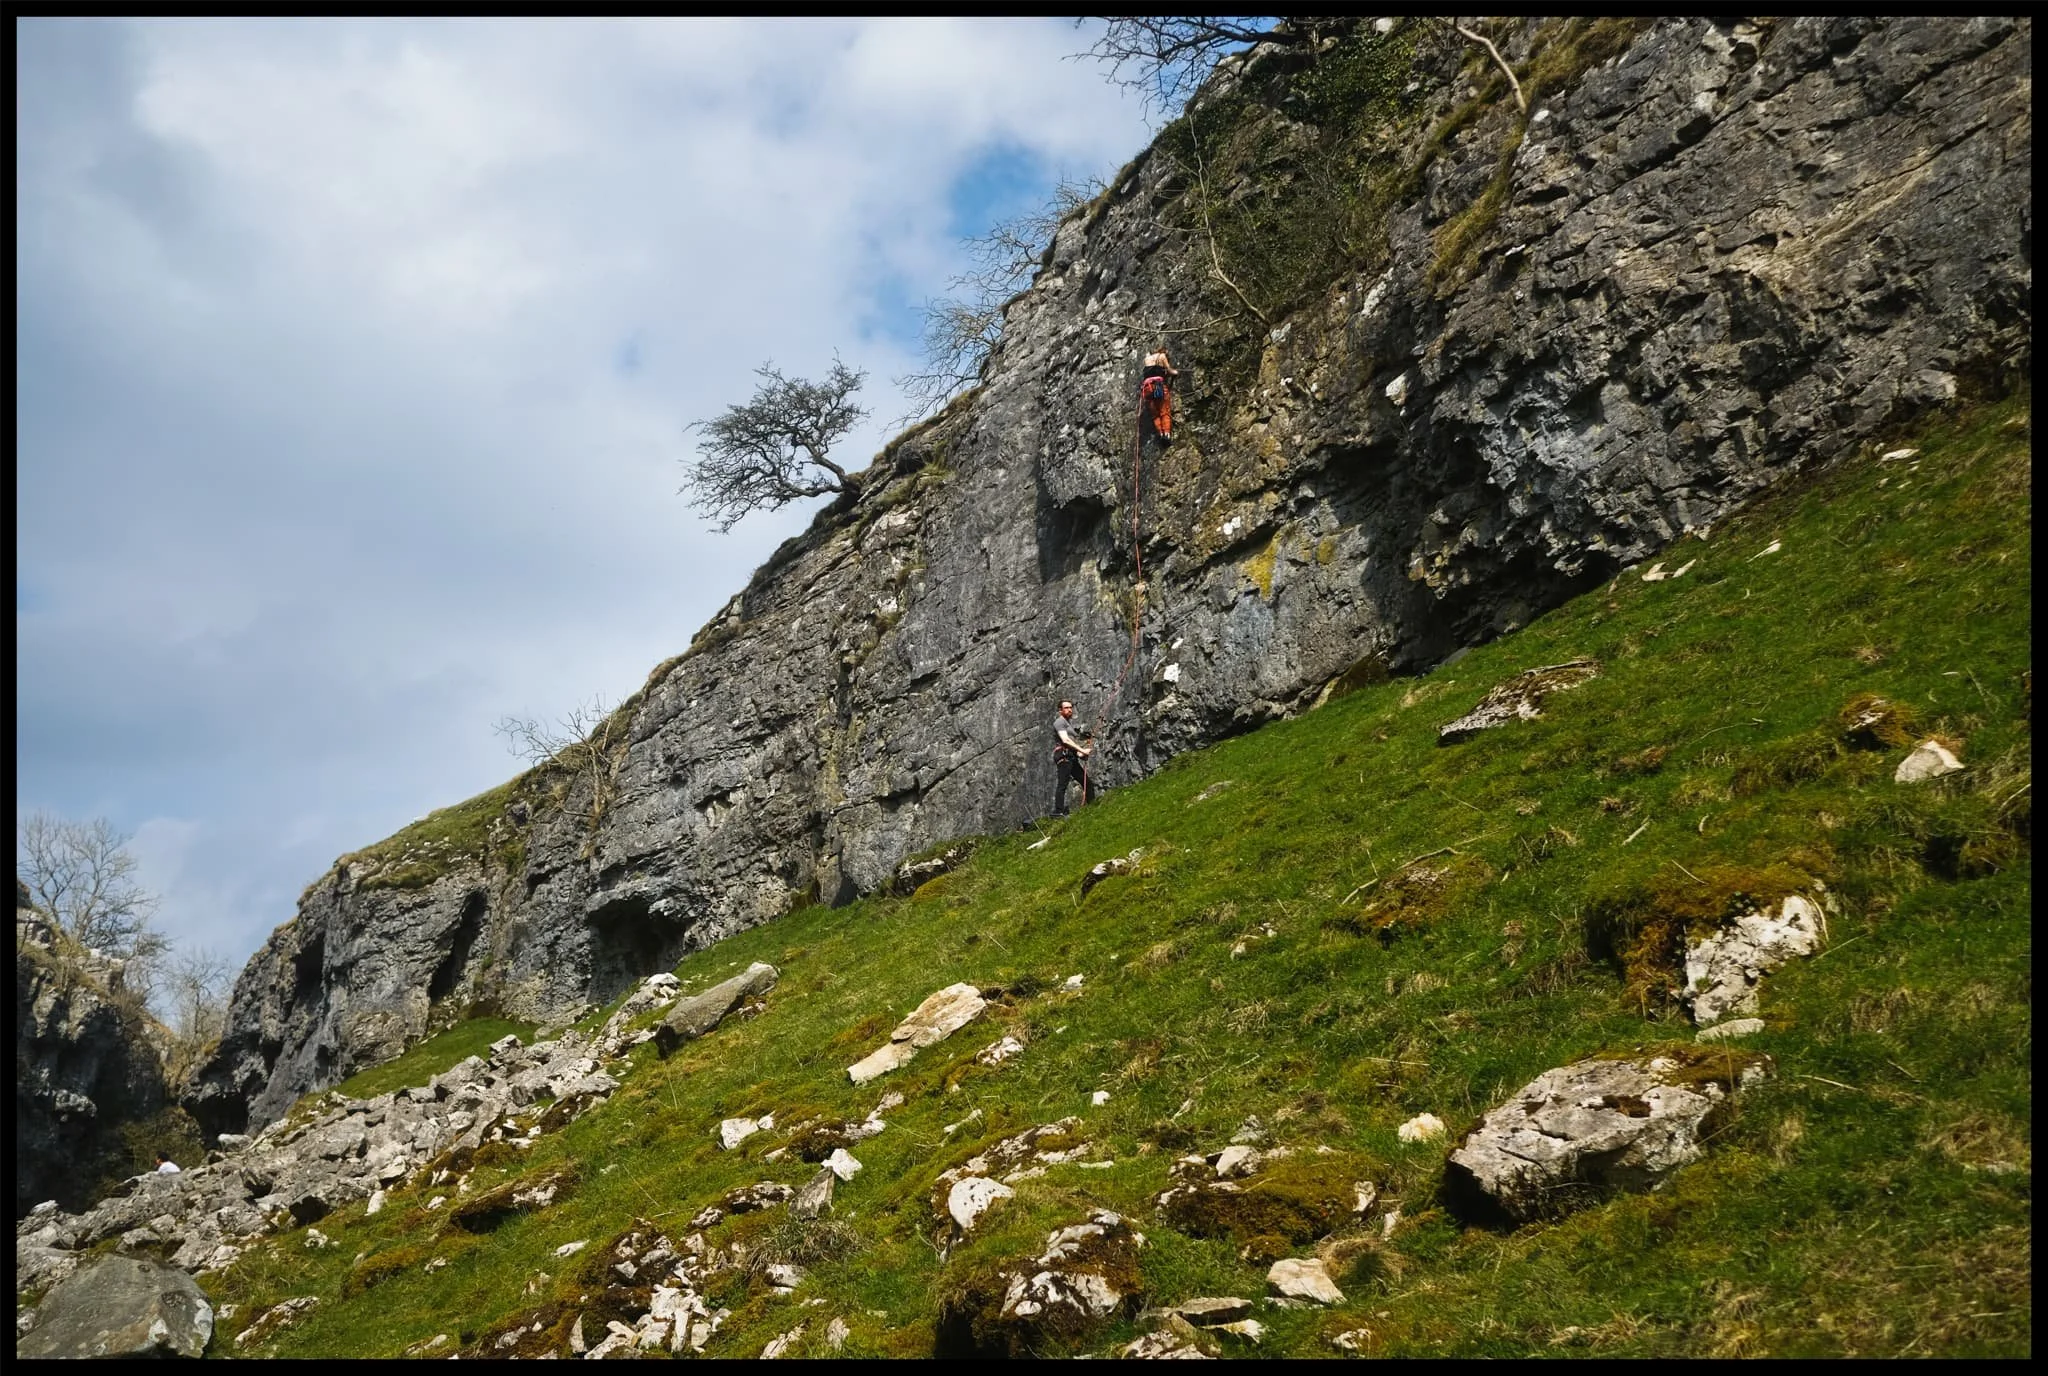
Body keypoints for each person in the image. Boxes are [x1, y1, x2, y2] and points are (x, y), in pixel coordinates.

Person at [1053, 699, 1093, 815]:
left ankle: (1093, 808)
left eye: (1070, 707)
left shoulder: (1067, 724)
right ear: (1060, 711)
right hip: (1064, 755)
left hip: (1071, 756)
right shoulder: (1059, 722)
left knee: (1087, 783)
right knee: (1062, 784)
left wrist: (1080, 754)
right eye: (1066, 708)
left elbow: (1071, 744)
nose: (1069, 709)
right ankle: (1058, 812)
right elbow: (1065, 740)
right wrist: (1082, 750)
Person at [1140, 345, 1179, 447]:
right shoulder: (1161, 356)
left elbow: (1151, 372)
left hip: (1147, 388)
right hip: (1157, 385)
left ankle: (1160, 433)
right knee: (1164, 410)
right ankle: (1166, 435)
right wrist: (1175, 372)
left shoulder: (1146, 359)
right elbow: (1170, 370)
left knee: (1155, 414)